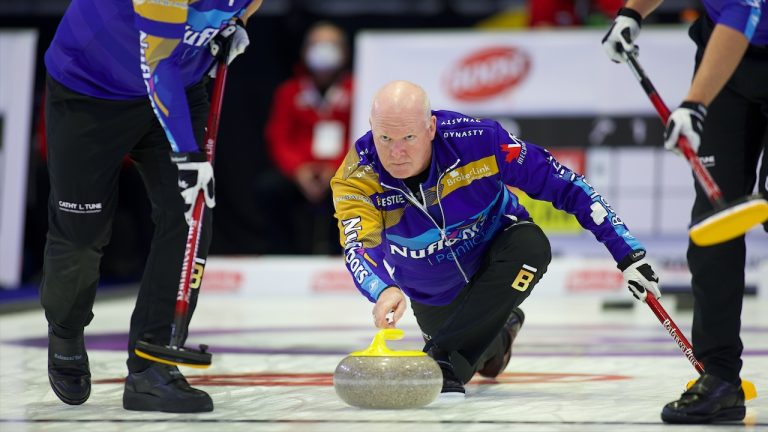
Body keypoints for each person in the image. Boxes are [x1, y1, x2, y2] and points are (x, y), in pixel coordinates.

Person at [330, 80, 661, 396]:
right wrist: (382, 288)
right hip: (432, 290)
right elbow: (358, 247)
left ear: (430, 128)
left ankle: (443, 356)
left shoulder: (479, 141)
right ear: (371, 127)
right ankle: (498, 332)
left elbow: (565, 183)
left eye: (409, 137)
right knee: (480, 360)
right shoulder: (357, 178)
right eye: (384, 138)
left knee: (530, 248)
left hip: (500, 252)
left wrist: (627, 252)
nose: (396, 152)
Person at [42, 0, 262, 412]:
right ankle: (66, 325)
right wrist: (188, 157)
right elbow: (156, 67)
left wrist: (232, 26)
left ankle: (151, 366)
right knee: (81, 234)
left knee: (190, 215)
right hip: (91, 89)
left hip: (180, 83)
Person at [602, 0, 768, 424]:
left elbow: (741, 14)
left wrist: (694, 103)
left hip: (741, 34)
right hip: (728, 60)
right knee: (712, 226)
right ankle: (720, 379)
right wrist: (633, 13)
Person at [261, 22, 353, 254]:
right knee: (268, 189)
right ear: (304, 51)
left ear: (344, 52)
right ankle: (285, 255)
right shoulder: (289, 91)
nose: (323, 51)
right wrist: (298, 170)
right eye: (316, 44)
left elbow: (361, 135)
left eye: (331, 45)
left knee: (353, 189)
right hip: (300, 172)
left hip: (342, 171)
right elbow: (278, 138)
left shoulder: (357, 90)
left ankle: (341, 254)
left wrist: (335, 169)